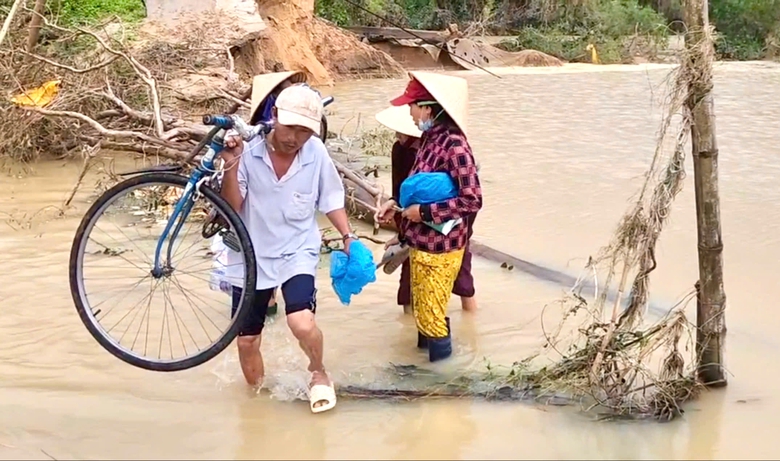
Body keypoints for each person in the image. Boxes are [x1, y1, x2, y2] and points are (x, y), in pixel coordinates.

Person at [220, 83, 355, 414]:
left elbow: (331, 198)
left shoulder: (316, 154)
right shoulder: (248, 152)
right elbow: (232, 206)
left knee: (302, 323)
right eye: (290, 126)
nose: (295, 137)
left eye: (305, 131)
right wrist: (232, 162)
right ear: (274, 116)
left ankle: (318, 372)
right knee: (247, 340)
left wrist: (348, 236)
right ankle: (257, 407)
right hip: (250, 256)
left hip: (296, 251)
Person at [376, 71, 483, 363]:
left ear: (428, 108)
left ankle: (442, 378)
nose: (408, 112)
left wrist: (423, 213)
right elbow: (416, 186)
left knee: (433, 317)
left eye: (411, 106)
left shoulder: (455, 146)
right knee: (424, 310)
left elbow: (472, 199)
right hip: (420, 243)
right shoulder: (428, 140)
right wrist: (395, 204)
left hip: (442, 248)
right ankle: (425, 366)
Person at [374, 105, 479, 315]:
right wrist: (394, 210)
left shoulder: (443, 147)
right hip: (418, 224)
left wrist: (408, 228)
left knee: (462, 277)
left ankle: (468, 322)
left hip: (450, 223)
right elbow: (402, 192)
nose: (398, 135)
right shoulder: (401, 149)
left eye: (401, 132)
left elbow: (468, 198)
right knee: (411, 283)